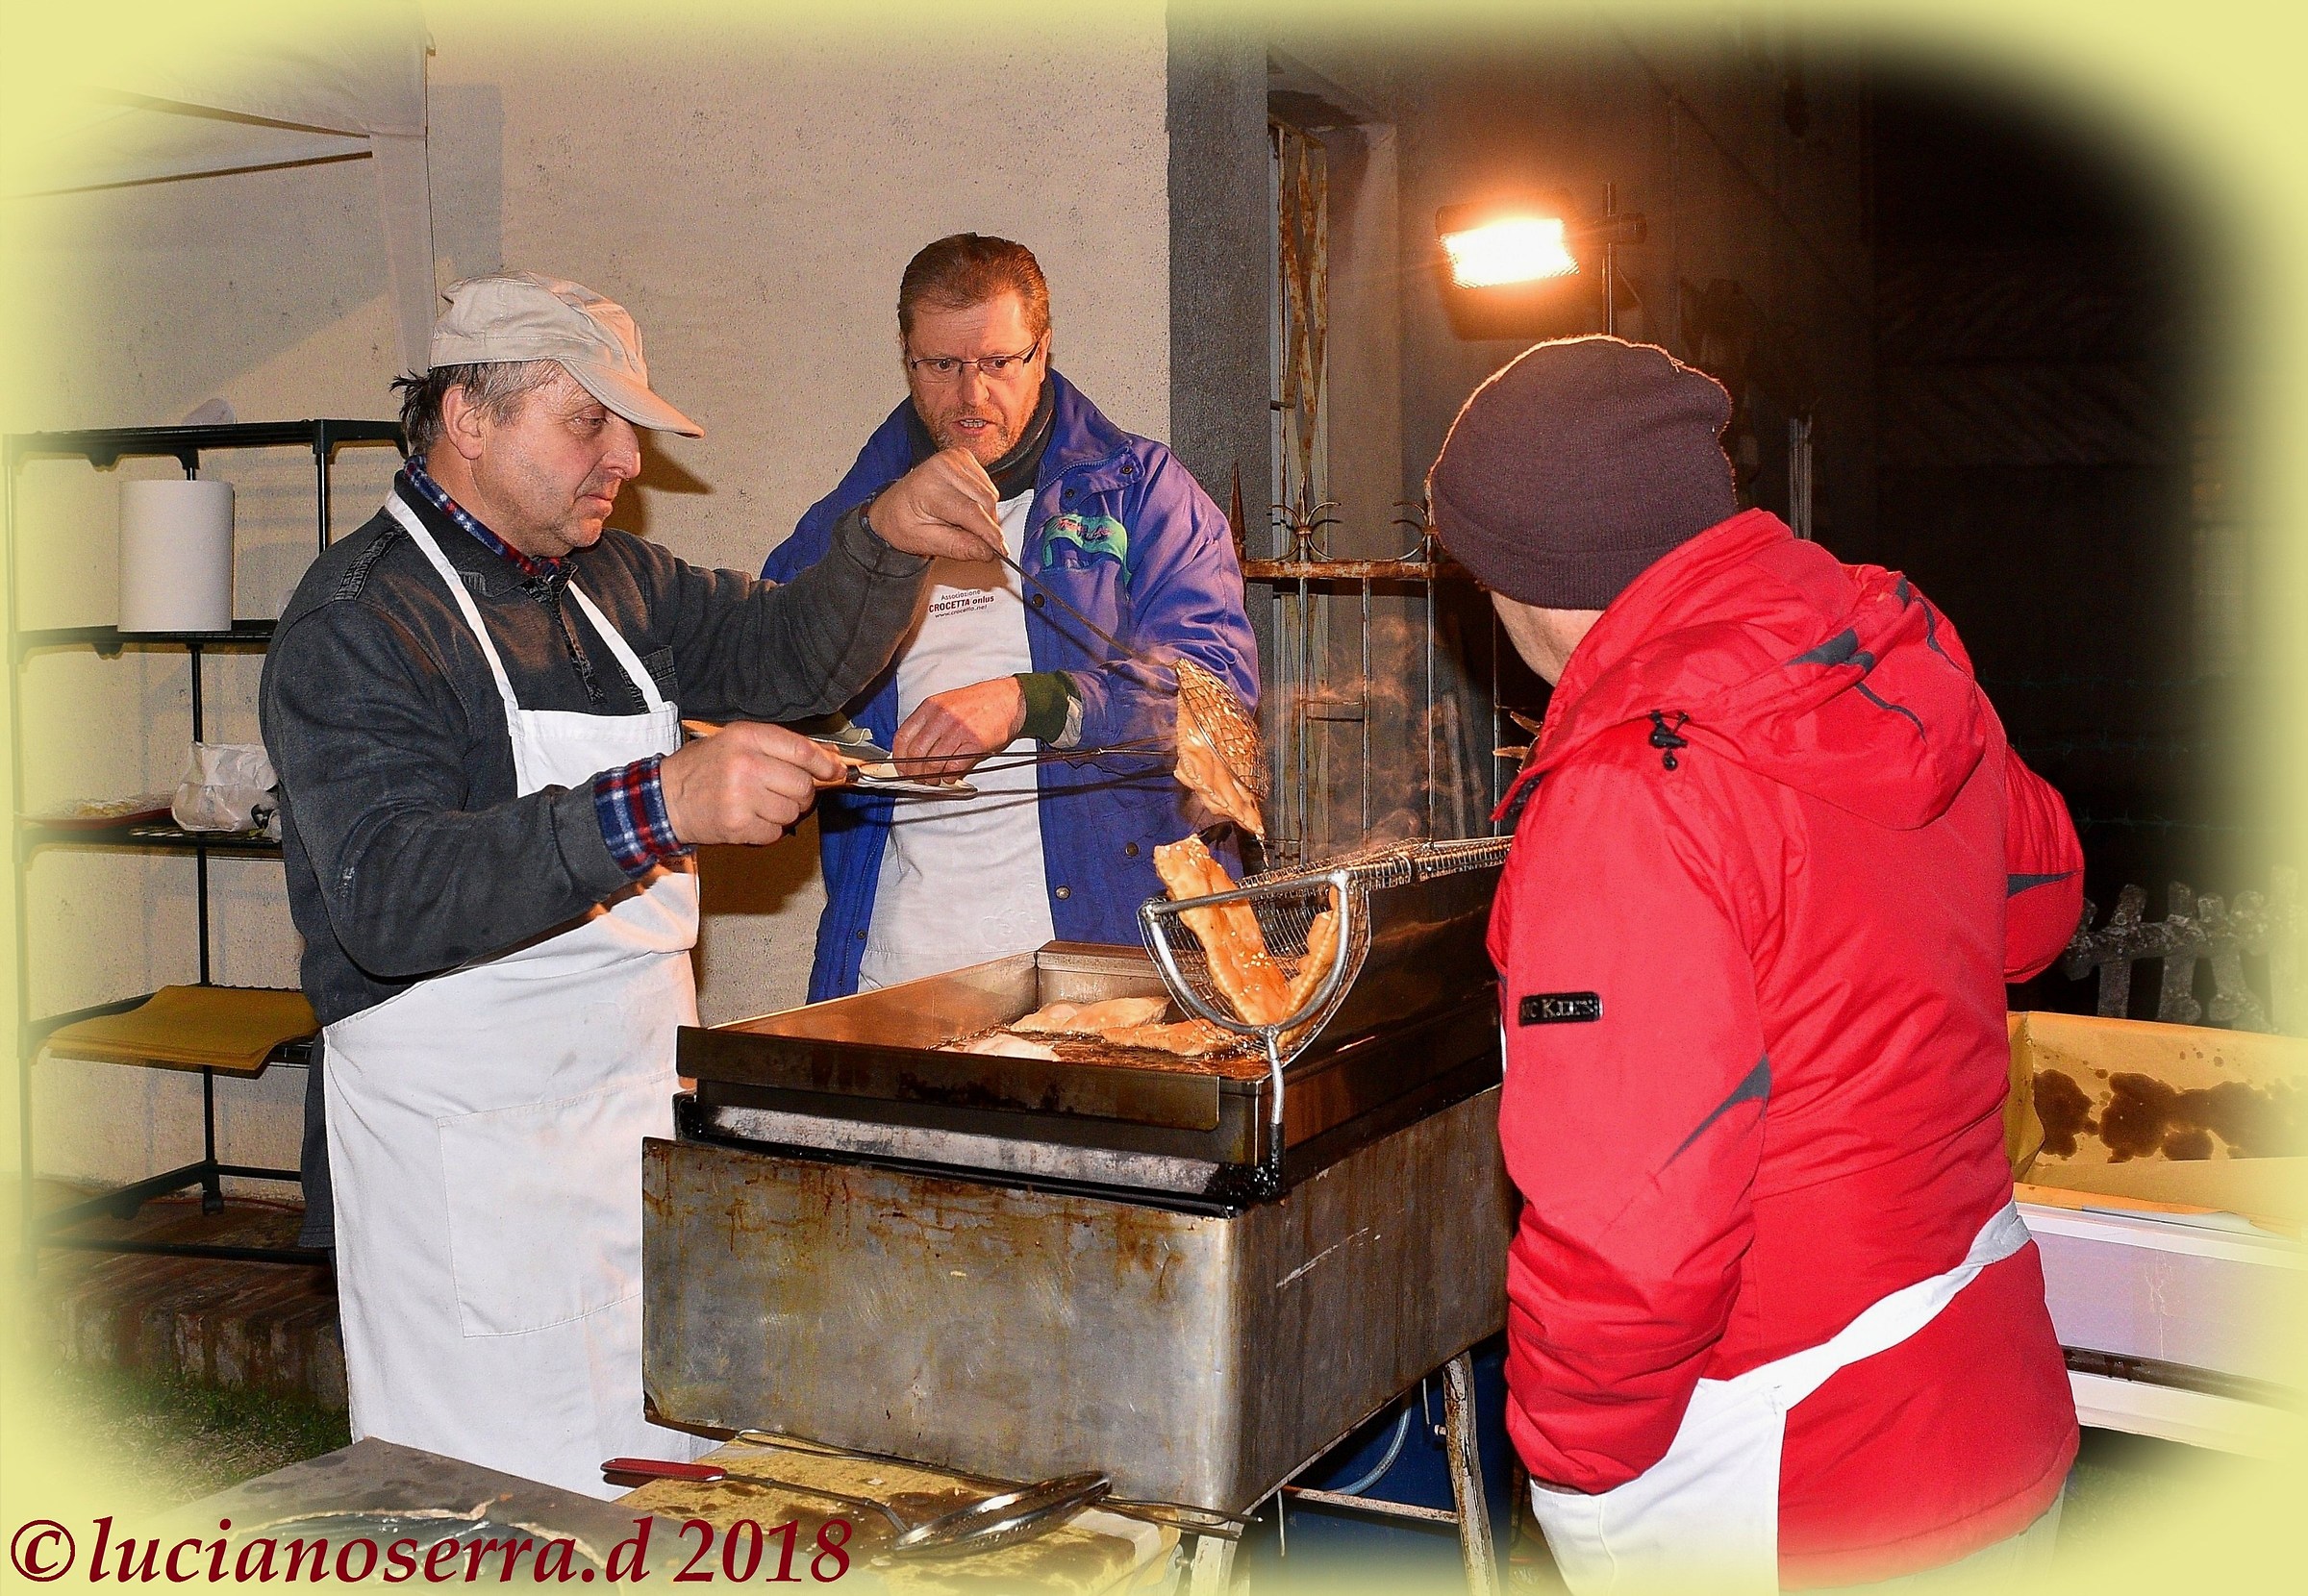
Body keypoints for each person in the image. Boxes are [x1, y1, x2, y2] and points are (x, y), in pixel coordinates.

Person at [260, 271, 1001, 1495]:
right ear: (469, 418)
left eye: (630, 427)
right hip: (473, 1174)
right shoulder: (359, 621)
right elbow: (388, 892)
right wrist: (659, 803)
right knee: (507, 1516)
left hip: (631, 1126)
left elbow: (789, 654)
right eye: (586, 422)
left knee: (669, 1489)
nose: (624, 460)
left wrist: (884, 543)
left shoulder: (615, 585)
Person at [1427, 337, 2082, 1591]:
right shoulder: (1886, 668)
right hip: (1987, 1405)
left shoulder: (1628, 793)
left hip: (1792, 1477)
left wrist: (1565, 1466)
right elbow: (2039, 903)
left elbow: (1639, 1235)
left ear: (1519, 570)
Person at [761, 234, 1258, 998]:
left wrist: (1028, 700)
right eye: (942, 366)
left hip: (1104, 973)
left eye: (998, 363)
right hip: (896, 975)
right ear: (906, 356)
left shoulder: (1142, 494)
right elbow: (769, 682)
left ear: (1043, 348)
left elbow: (1213, 698)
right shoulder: (846, 528)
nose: (971, 396)